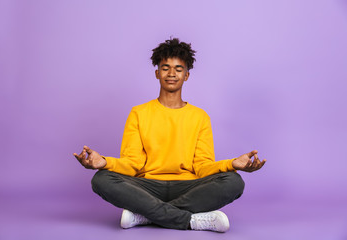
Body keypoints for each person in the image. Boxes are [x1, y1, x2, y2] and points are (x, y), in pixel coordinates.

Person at [73, 38, 266, 233]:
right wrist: (104, 162)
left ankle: (146, 215)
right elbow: (132, 164)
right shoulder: (139, 113)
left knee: (233, 182)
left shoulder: (200, 117)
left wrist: (232, 164)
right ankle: (191, 221)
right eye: (165, 68)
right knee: (101, 179)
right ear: (157, 73)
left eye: (178, 69)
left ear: (187, 75)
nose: (172, 73)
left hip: (189, 186)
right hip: (147, 186)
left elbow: (202, 167)